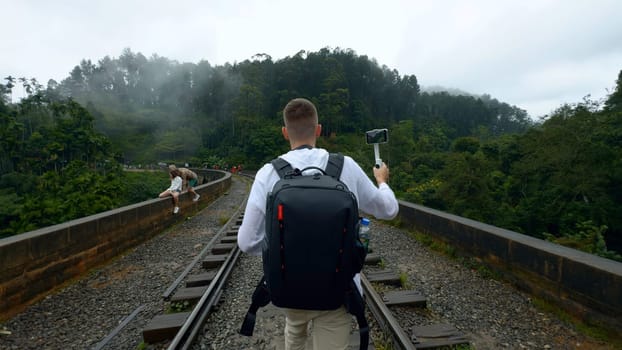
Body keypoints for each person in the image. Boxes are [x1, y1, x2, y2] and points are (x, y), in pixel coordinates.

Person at [237, 97, 399, 350]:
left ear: (284, 132)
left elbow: (246, 242)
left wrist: (284, 248)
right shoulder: (346, 166)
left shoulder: (268, 173)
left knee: (295, 327)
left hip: (289, 289)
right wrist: (382, 181)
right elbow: (389, 210)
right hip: (338, 291)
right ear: (319, 129)